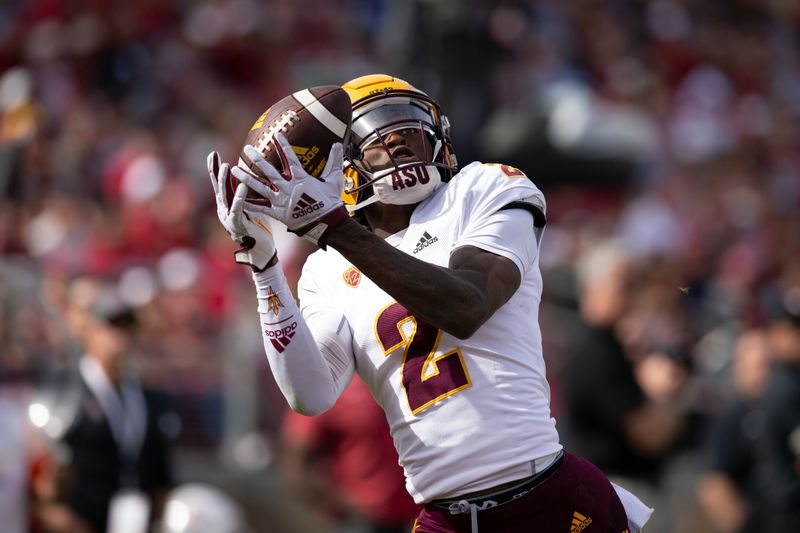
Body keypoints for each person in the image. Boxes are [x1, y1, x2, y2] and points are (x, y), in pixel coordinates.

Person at [208, 74, 651, 533]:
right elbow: (311, 394)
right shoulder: (325, 269)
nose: (397, 136)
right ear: (338, 162)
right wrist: (265, 271)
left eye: (408, 123)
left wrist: (335, 228)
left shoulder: (483, 187)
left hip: (543, 493)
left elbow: (467, 306)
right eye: (376, 128)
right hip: (445, 517)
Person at [31, 277, 175, 533]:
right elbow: (43, 481)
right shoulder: (64, 391)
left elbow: (161, 473)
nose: (119, 338)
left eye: (126, 328)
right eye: (110, 326)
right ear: (90, 329)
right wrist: (63, 519)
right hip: (84, 521)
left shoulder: (148, 398)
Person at [281, 375, 420, 533]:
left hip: (422, 511)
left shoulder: (403, 372)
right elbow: (297, 458)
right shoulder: (331, 384)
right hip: (362, 518)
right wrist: (334, 503)